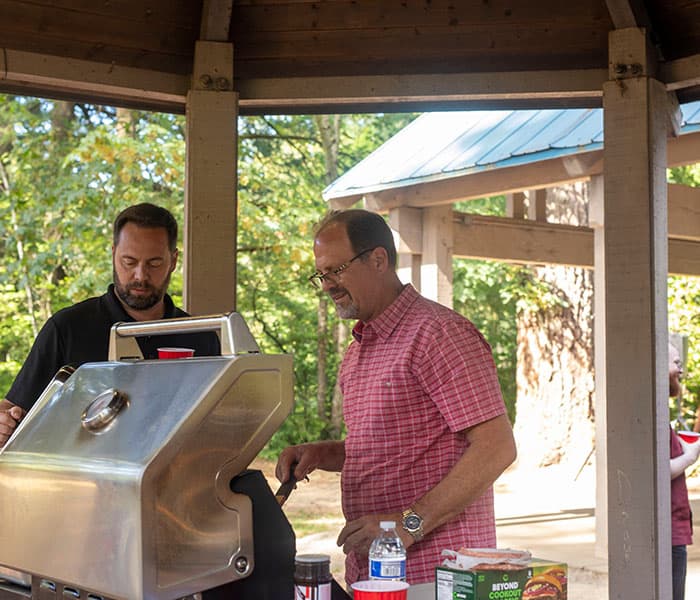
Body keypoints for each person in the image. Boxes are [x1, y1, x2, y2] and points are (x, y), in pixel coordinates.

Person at [275, 209, 517, 585]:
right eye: (321, 274)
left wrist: (407, 525)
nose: (327, 285)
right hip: (375, 573)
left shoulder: (439, 334)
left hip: (439, 576)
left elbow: (497, 448)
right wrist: (322, 453)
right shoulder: (358, 349)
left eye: (336, 270)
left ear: (378, 260)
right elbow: (392, 448)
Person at [0, 203, 220, 447]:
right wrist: (4, 423)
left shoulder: (200, 335)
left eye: (154, 263)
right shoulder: (67, 328)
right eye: (129, 261)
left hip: (177, 481)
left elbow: (221, 427)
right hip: (80, 479)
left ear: (174, 260)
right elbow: (13, 410)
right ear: (113, 253)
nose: (140, 275)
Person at [669, 342, 700, 600]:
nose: (680, 370)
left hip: (675, 528)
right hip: (668, 532)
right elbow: (656, 471)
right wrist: (690, 456)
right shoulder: (651, 415)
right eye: (676, 363)